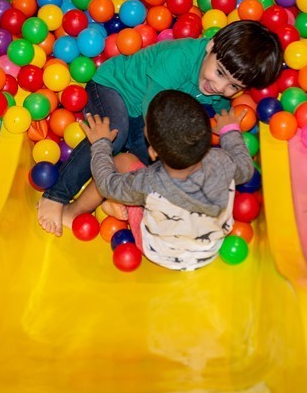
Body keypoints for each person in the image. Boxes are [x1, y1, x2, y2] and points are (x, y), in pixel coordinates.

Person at [36, 19, 283, 236]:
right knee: (115, 133)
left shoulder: (218, 90)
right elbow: (153, 108)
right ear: (211, 46)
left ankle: (113, 196)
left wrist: (224, 131)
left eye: (234, 86)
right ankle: (56, 196)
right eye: (219, 72)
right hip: (115, 88)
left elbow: (211, 120)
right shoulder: (180, 57)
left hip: (147, 116)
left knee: (157, 164)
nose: (219, 87)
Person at [72, 90, 255, 271]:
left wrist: (100, 144)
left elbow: (107, 184)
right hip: (207, 251)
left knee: (124, 161)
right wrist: (230, 131)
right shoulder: (223, 163)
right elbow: (246, 169)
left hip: (158, 251)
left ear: (153, 153)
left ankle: (112, 206)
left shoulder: (149, 182)